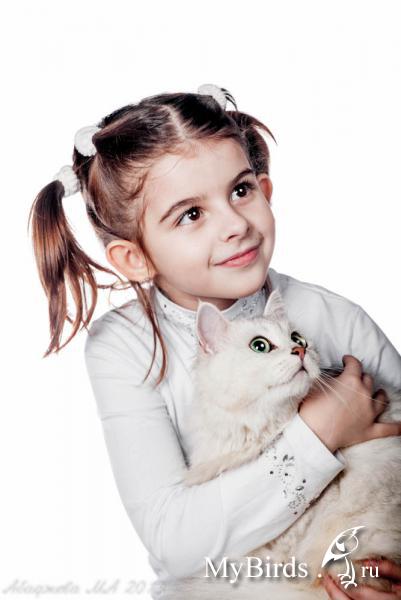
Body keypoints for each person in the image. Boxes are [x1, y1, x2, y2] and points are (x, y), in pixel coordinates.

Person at [28, 84, 401, 598]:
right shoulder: (125, 348)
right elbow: (176, 542)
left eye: (241, 191)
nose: (234, 225)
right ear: (135, 258)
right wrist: (321, 432)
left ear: (266, 190)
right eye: (191, 214)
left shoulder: (331, 315)